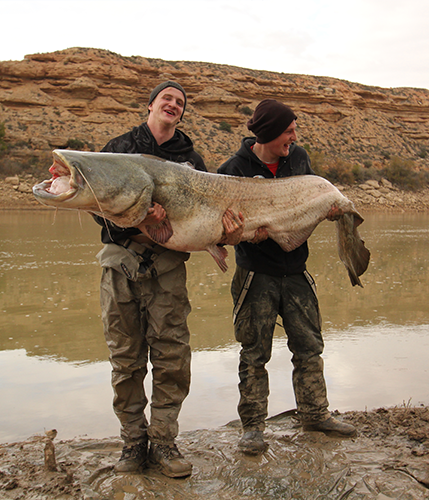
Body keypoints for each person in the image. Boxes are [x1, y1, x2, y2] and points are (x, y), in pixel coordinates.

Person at [94, 81, 243, 477]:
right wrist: (140, 220)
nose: (173, 105)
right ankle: (131, 443)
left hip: (168, 269)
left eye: (180, 103)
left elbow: (211, 214)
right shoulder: (118, 150)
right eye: (167, 99)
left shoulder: (190, 159)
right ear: (150, 105)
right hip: (119, 263)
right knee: (125, 359)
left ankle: (163, 442)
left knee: (172, 357)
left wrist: (226, 231)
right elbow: (96, 204)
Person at [217, 99, 358, 456]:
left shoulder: (299, 159)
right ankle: (252, 428)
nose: (294, 138)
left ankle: (315, 414)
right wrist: (239, 233)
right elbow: (221, 229)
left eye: (294, 131)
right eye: (288, 131)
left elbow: (306, 203)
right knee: (254, 353)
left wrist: (324, 211)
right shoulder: (232, 169)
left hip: (296, 270)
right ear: (268, 133)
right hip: (255, 274)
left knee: (309, 347)